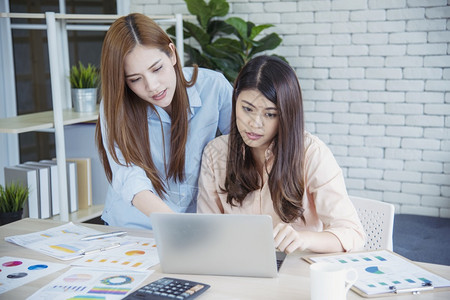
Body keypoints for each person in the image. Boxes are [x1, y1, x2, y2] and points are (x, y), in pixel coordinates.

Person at [197, 55, 365, 253]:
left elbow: (353, 233)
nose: (254, 123)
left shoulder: (312, 153)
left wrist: (305, 239)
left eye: (270, 114)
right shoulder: (216, 153)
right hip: (238, 268)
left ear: (286, 114)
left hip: (297, 269)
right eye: (247, 109)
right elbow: (205, 231)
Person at [96, 13, 232, 229]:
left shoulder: (213, 88)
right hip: (132, 228)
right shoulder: (115, 106)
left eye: (157, 68)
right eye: (135, 79)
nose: (152, 86)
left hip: (194, 226)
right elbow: (129, 176)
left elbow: (248, 148)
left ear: (172, 54)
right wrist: (176, 226)